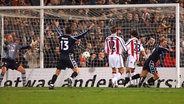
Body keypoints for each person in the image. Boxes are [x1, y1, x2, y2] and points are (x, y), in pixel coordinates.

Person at [49, 20, 94, 90]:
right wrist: (89, 28)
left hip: (61, 57)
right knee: (76, 71)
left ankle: (51, 84)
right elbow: (82, 34)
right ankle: (70, 78)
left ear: (65, 31)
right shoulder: (72, 38)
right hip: (68, 56)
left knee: (57, 72)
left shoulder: (61, 36)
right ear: (71, 32)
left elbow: (59, 32)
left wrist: (57, 26)